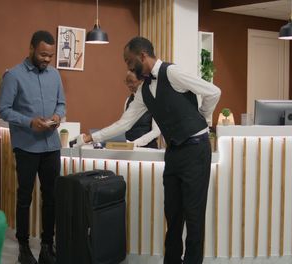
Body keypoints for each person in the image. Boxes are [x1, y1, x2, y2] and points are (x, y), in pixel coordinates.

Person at [80, 36, 221, 264]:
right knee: (173, 215)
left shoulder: (172, 72)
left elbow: (213, 91)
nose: (127, 66)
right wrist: (90, 137)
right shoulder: (144, 91)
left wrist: (203, 118)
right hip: (174, 153)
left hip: (196, 149)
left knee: (194, 218)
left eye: (128, 60)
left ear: (142, 55)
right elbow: (123, 123)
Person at [0, 30, 65, 264]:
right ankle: (23, 248)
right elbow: (3, 110)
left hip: (51, 147)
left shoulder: (55, 75)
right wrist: (29, 122)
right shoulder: (13, 76)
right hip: (26, 146)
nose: (47, 59)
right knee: (24, 197)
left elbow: (62, 104)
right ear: (31, 49)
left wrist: (58, 116)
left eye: (51, 55)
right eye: (43, 54)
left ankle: (47, 246)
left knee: (51, 198)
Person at [123, 70, 160, 148]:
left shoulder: (154, 100)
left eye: (132, 82)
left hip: (147, 149)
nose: (129, 85)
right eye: (127, 82)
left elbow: (156, 131)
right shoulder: (128, 100)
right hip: (129, 148)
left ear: (142, 81)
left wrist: (135, 143)